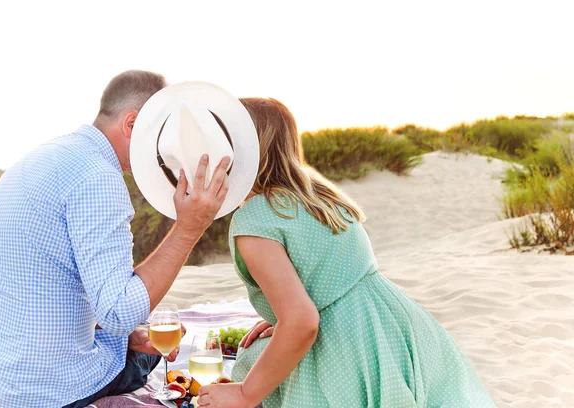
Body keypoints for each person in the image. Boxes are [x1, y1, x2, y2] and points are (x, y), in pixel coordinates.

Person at [197, 98, 496, 408]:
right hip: (393, 328)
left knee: (251, 366)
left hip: (349, 350)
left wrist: (245, 394)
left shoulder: (254, 220)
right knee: (258, 350)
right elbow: (324, 282)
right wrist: (282, 318)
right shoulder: (318, 194)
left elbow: (303, 322)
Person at [0, 70, 231, 407]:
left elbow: (40, 288)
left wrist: (121, 336)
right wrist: (190, 228)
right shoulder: (98, 176)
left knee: (136, 334)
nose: (159, 154)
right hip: (44, 391)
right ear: (132, 124)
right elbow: (120, 313)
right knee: (149, 355)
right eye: (159, 136)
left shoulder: (47, 156)